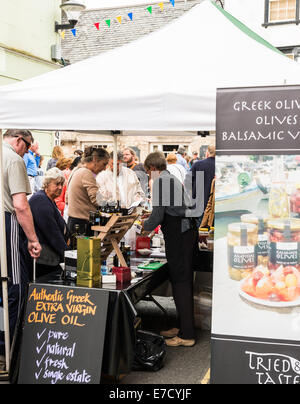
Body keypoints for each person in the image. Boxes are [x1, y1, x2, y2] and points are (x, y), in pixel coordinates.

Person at [142, 152, 197, 347]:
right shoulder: (170, 178)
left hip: (179, 235)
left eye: (148, 172)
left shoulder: (160, 182)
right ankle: (182, 326)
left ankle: (187, 335)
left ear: (152, 169)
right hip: (185, 233)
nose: (149, 176)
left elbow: (157, 216)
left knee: (181, 281)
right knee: (180, 280)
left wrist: (143, 226)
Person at [1, 129, 42, 369]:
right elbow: (20, 205)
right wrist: (33, 239)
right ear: (19, 140)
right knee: (14, 287)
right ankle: (13, 352)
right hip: (6, 225)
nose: (27, 152)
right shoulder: (13, 159)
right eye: (27, 147)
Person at [29, 168, 69, 278]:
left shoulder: (48, 200)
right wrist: (68, 256)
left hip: (48, 258)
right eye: (57, 184)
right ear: (47, 184)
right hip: (43, 260)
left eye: (62, 184)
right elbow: (53, 234)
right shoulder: (41, 201)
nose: (60, 187)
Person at [66, 147, 109, 235]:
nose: (104, 168)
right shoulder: (86, 173)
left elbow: (67, 198)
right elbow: (96, 200)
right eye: (104, 164)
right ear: (95, 160)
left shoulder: (76, 170)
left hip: (74, 221)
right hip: (82, 224)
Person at [191, 144, 215, 217]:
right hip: (214, 204)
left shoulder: (197, 165)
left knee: (200, 226)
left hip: (199, 202)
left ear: (207, 153)